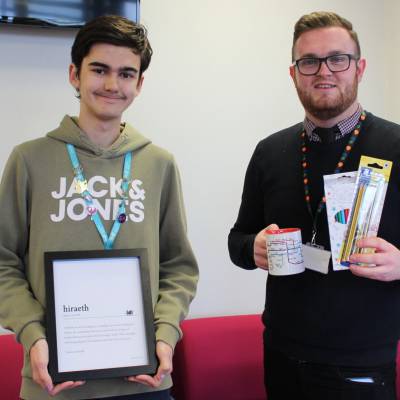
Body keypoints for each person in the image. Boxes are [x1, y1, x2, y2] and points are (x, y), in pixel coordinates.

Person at [0, 15, 198, 400]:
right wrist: (32, 334)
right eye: (99, 70)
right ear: (75, 75)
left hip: (146, 382)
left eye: (126, 74)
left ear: (139, 84)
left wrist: (166, 333)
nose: (112, 84)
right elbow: (3, 259)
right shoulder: (29, 160)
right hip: (53, 383)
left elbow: (178, 265)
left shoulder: (159, 163)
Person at [228, 11, 400, 400]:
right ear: (293, 74)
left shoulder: (395, 146)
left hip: (363, 362)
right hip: (282, 354)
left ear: (360, 68)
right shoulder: (270, 151)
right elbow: (236, 240)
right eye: (309, 61)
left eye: (338, 58)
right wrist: (250, 246)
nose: (324, 71)